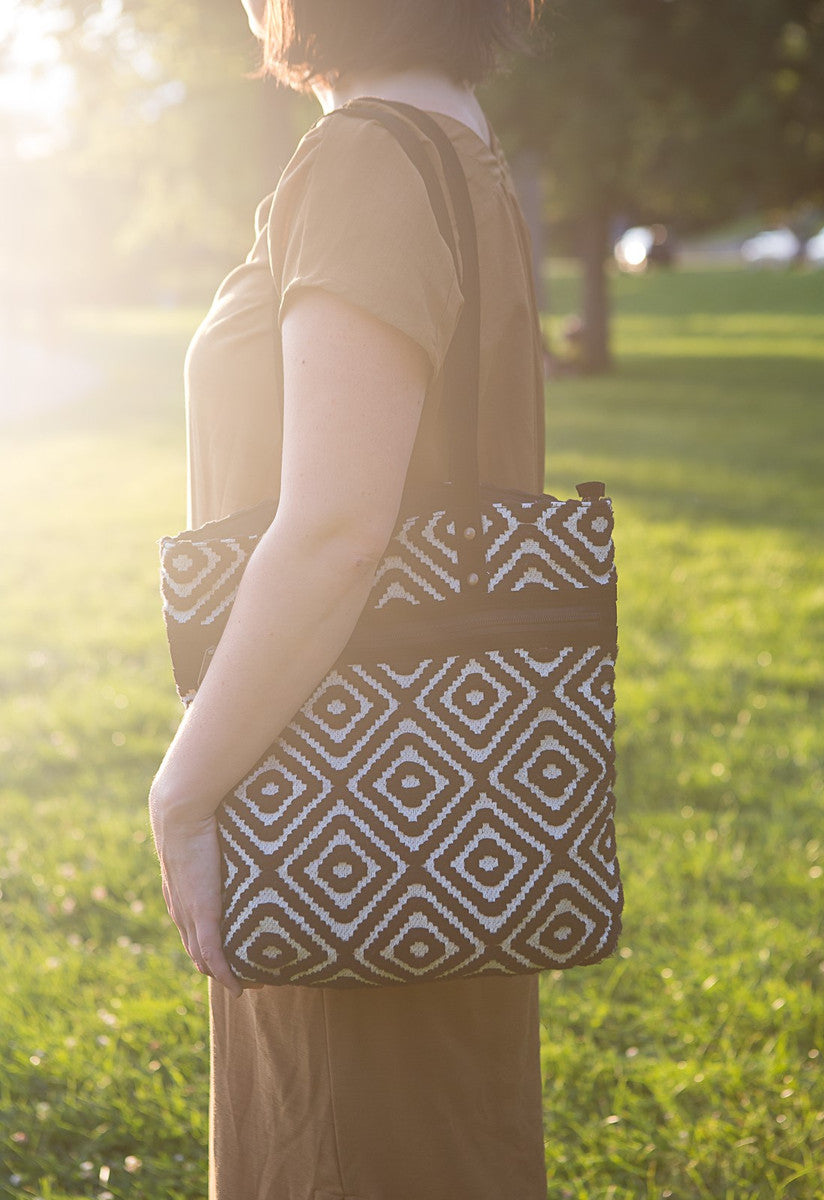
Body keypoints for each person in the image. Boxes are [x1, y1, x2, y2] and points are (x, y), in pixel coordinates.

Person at [149, 2, 547, 1196]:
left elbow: (333, 529)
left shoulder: (368, 157)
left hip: (342, 784)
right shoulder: (453, 138)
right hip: (435, 783)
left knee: (344, 1142)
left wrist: (182, 788)